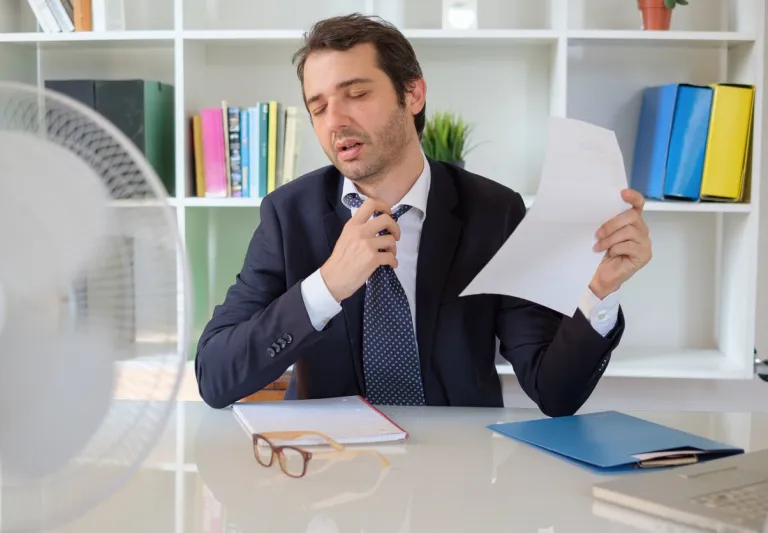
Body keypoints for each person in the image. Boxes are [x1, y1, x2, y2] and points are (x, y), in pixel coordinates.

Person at [194, 13, 653, 415]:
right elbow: (215, 377)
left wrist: (600, 292)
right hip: (330, 469)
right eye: (319, 108)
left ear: (413, 94)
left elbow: (555, 393)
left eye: (356, 93)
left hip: (455, 468)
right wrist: (327, 285)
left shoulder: (494, 212)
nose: (334, 121)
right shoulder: (287, 215)